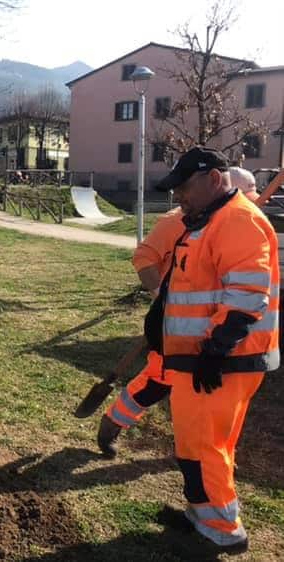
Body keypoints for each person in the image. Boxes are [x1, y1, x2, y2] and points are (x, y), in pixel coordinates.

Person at [148, 147, 277, 554]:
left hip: (222, 361)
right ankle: (201, 514)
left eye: (185, 187)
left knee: (208, 446)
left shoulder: (238, 221)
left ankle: (224, 530)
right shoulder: (210, 220)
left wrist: (216, 350)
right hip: (198, 358)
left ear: (216, 179)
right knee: (195, 442)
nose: (179, 196)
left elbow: (247, 294)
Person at [98, 165, 263, 457]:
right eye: (244, 195)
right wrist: (162, 299)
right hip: (177, 326)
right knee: (158, 381)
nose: (247, 202)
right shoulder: (177, 222)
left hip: (215, 332)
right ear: (222, 185)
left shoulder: (237, 222)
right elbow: (144, 257)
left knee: (208, 401)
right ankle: (113, 423)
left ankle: (205, 457)